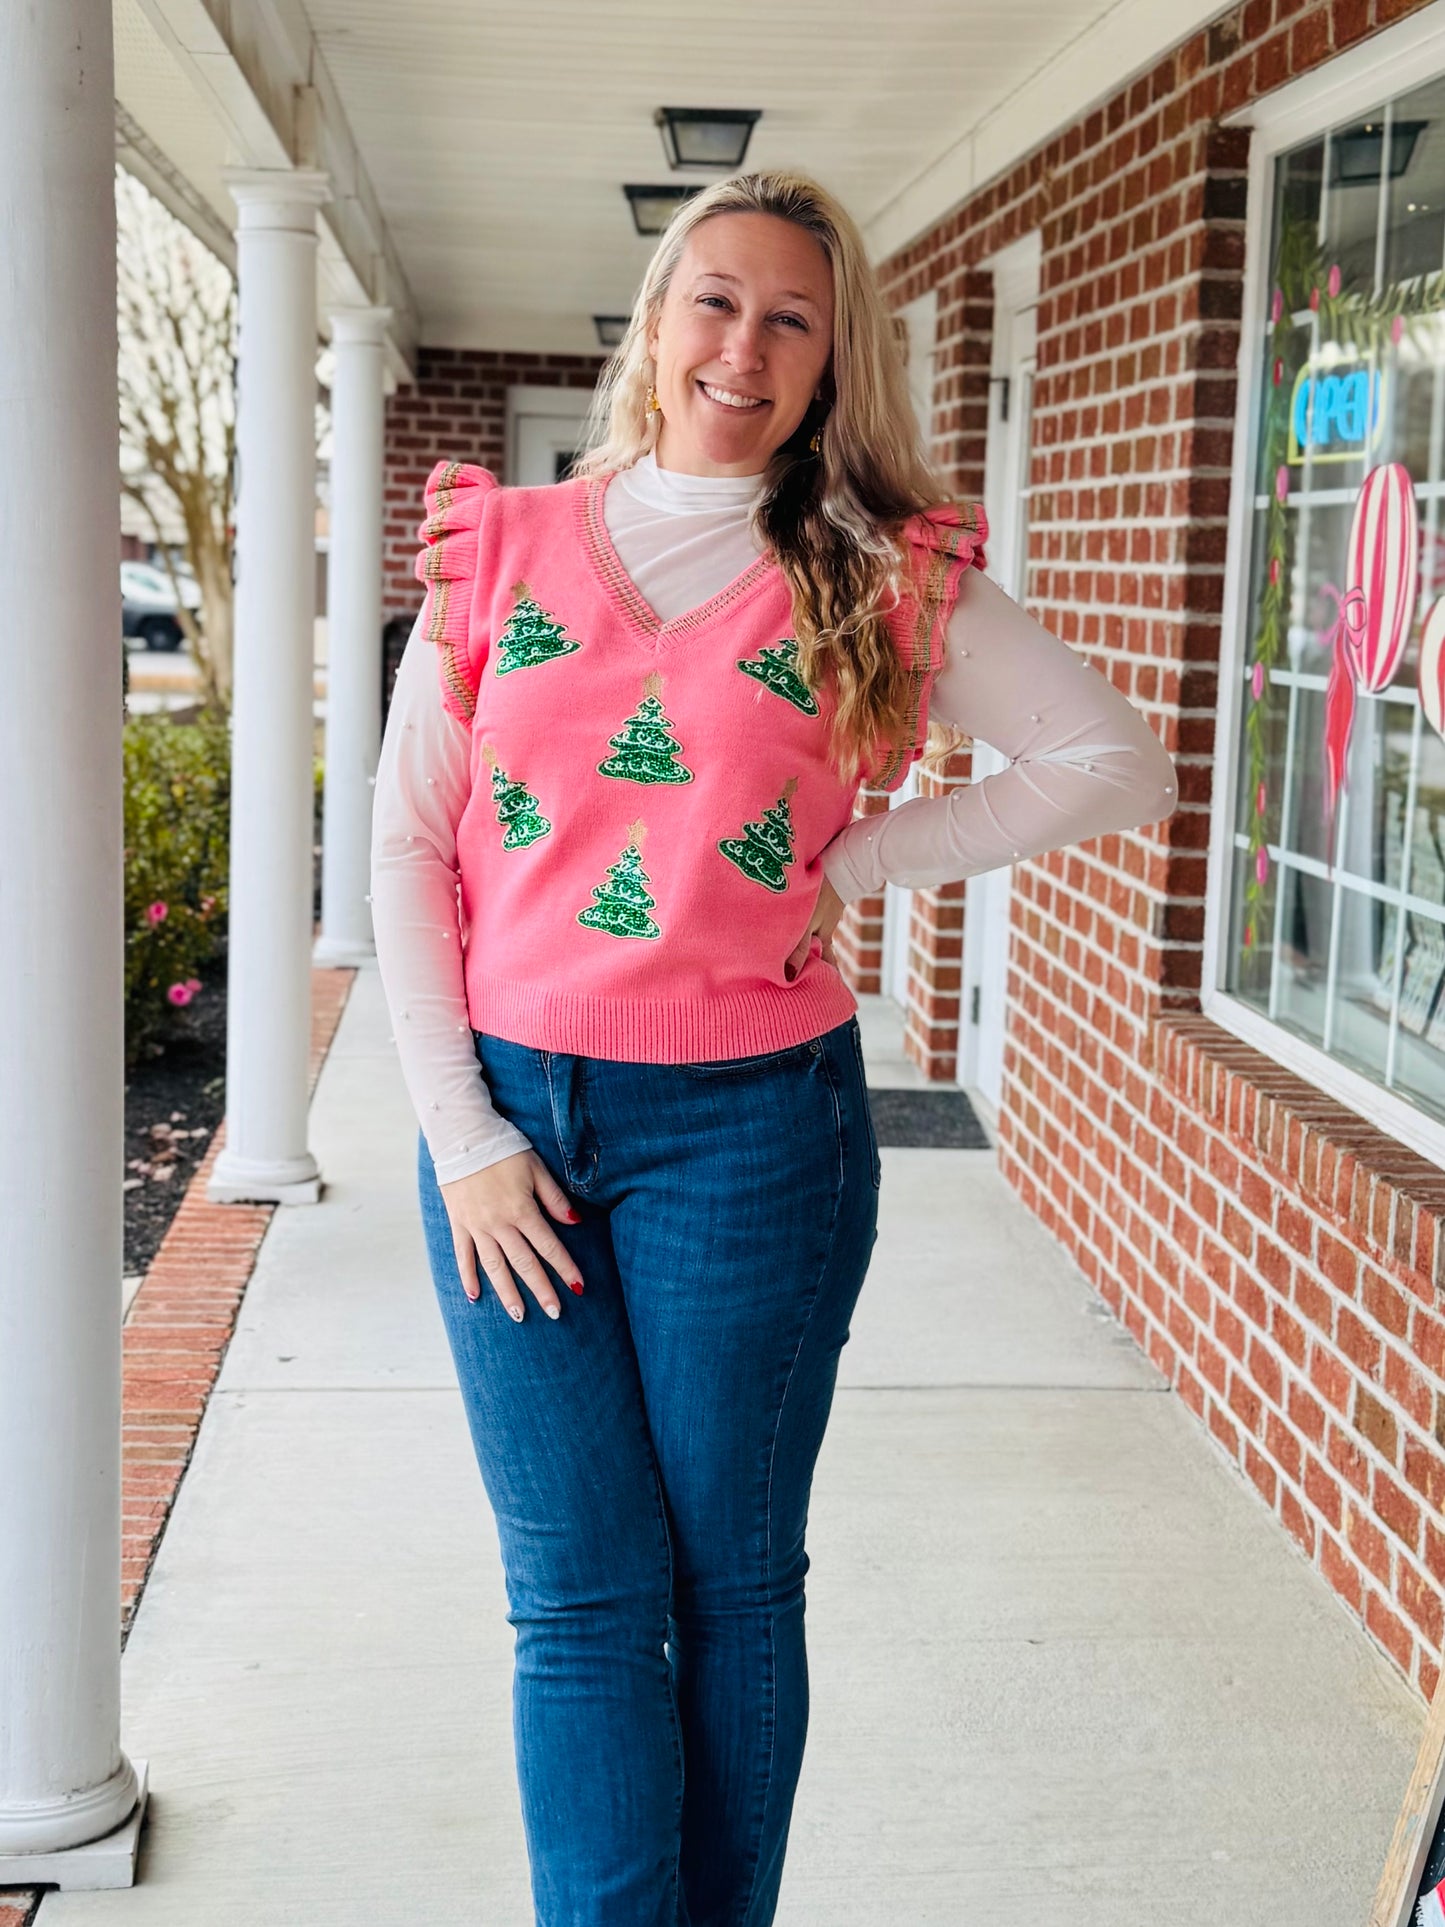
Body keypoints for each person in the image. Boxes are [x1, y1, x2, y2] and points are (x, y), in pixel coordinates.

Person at [370, 167, 1178, 1927]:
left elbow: (1112, 763)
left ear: (830, 359)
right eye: (715, 301)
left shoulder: (873, 577)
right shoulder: (498, 547)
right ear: (658, 321)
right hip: (507, 1130)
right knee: (576, 1595)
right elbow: (407, 848)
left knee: (727, 1582)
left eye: (789, 318)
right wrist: (463, 1136)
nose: (742, 345)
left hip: (751, 1135)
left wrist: (847, 865)